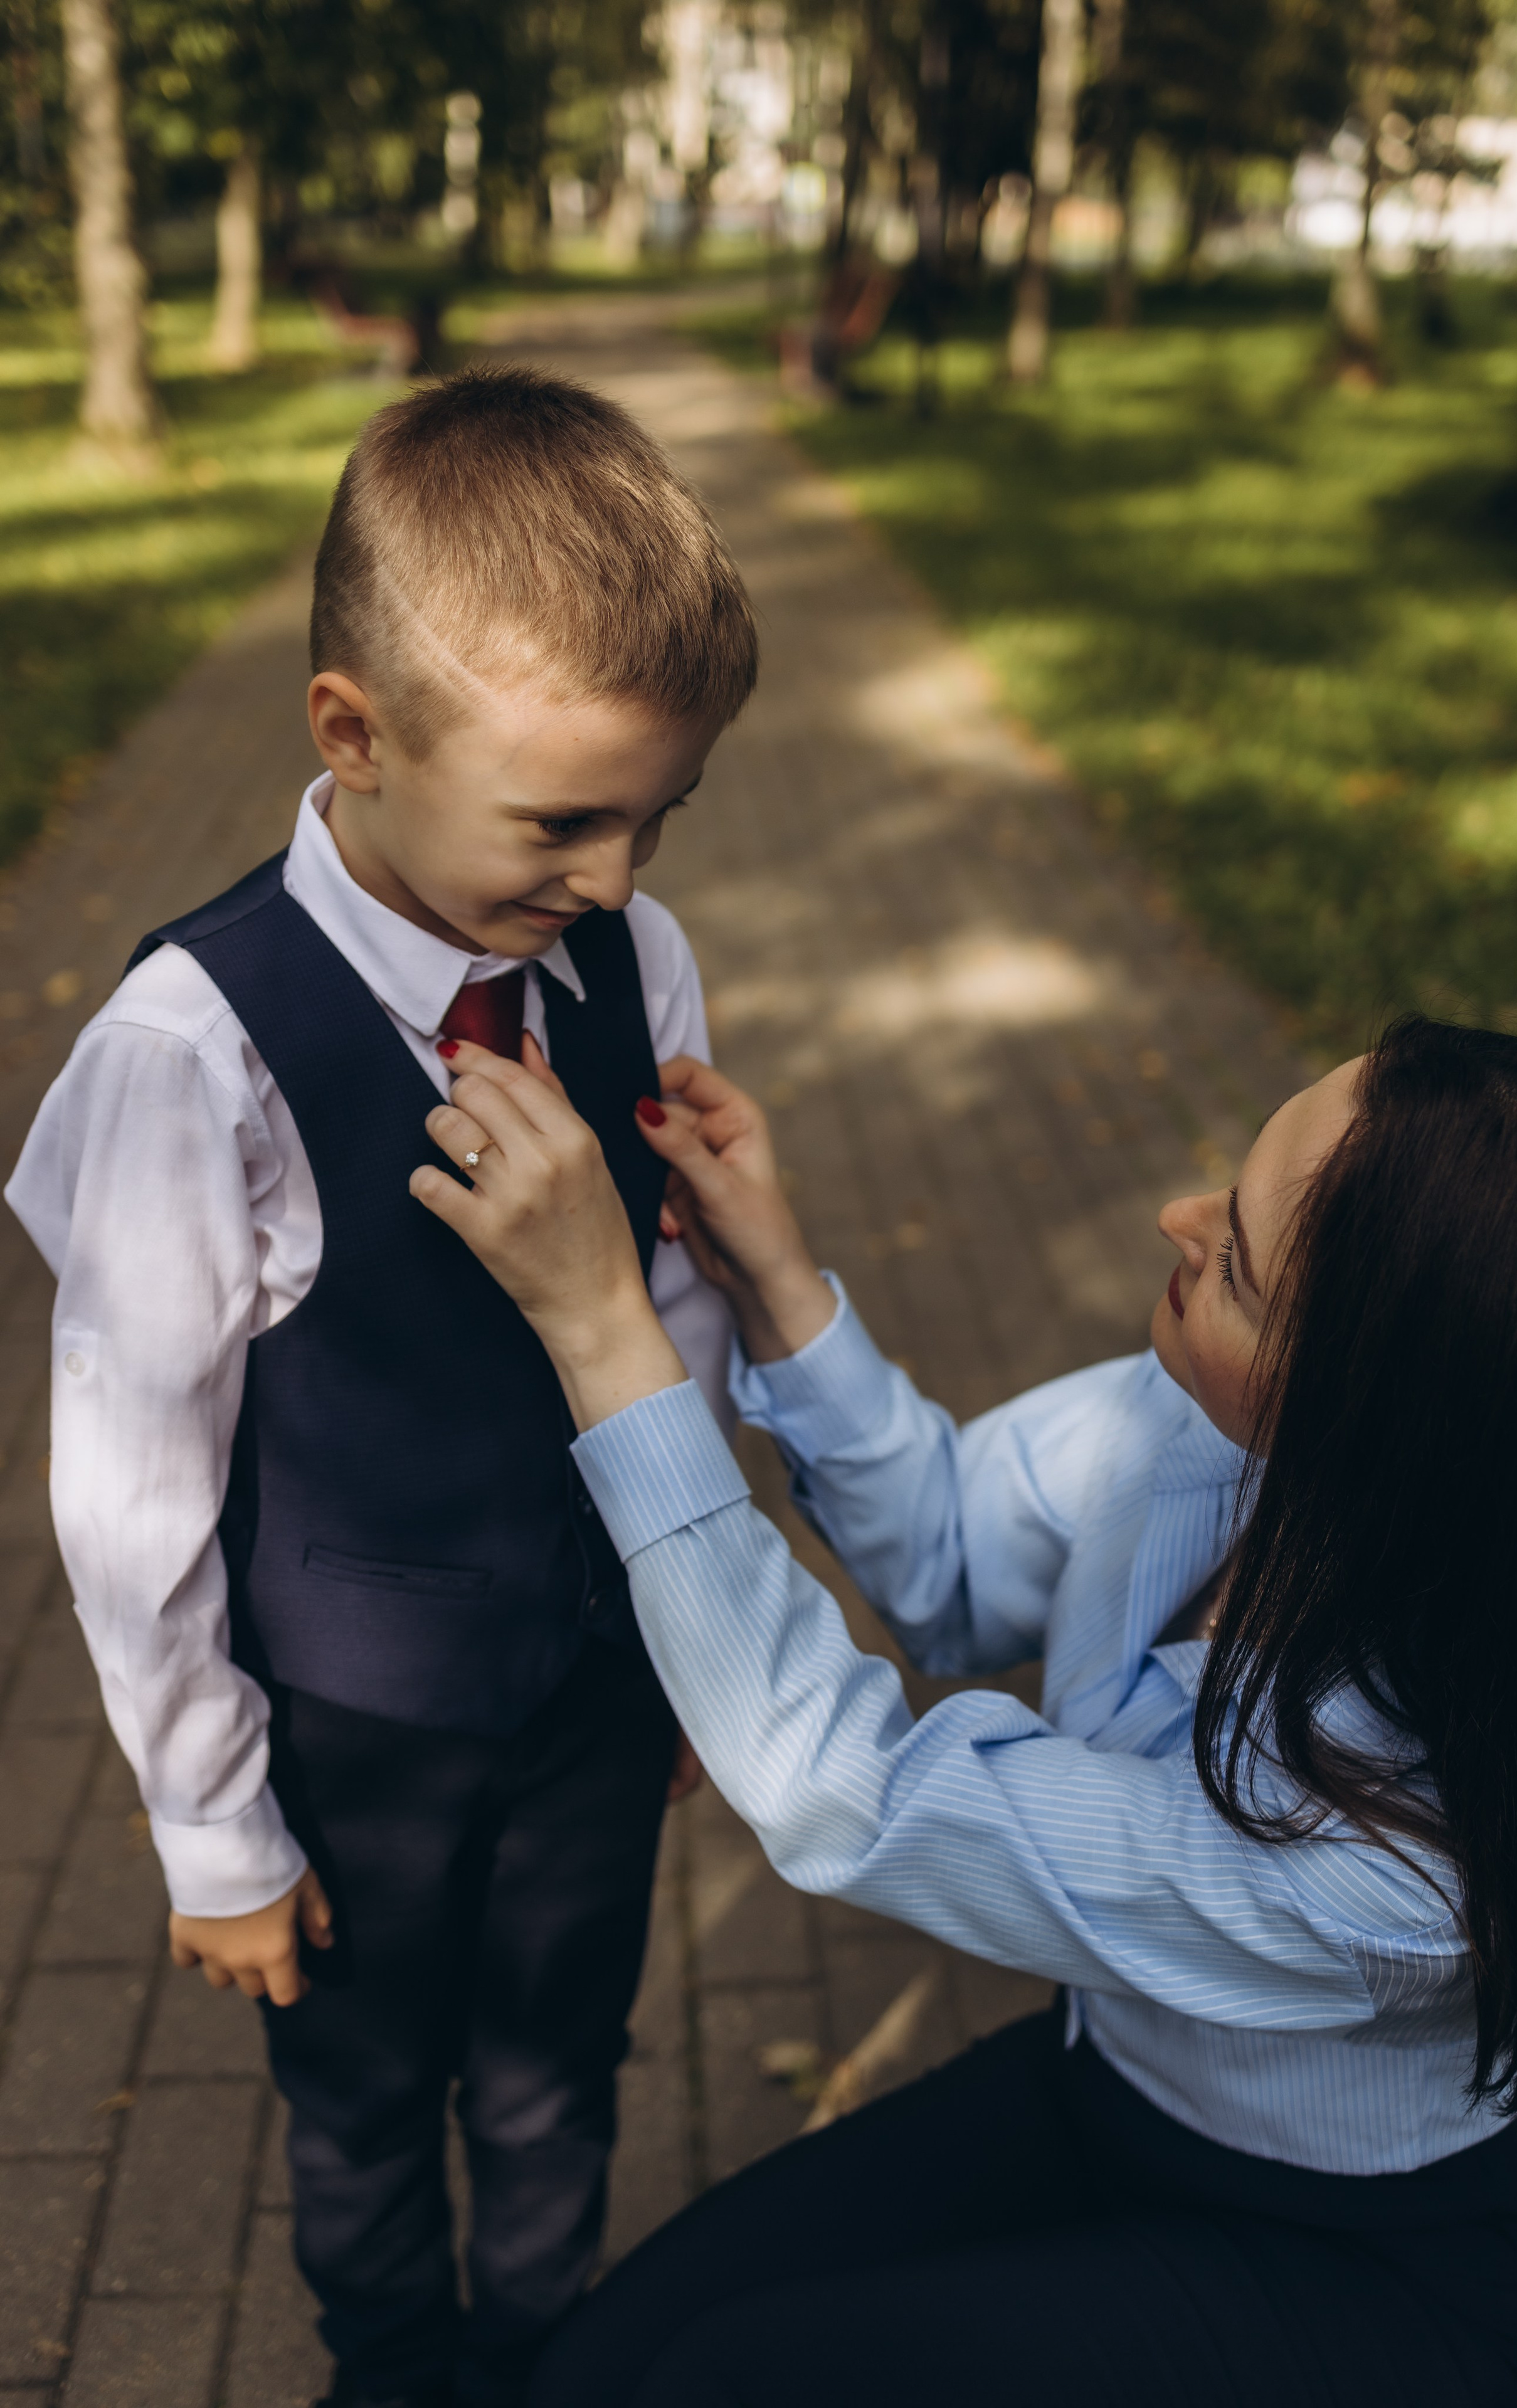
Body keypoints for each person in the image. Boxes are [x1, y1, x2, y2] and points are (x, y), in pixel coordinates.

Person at [405, 1015, 1517, 2408]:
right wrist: (778, 1287)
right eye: (1231, 1183)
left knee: (735, 2376)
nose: (1178, 1216)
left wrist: (602, 1333)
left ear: (1369, 1420)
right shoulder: (1215, 1424)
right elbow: (952, 1566)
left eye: (1232, 1265)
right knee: (610, 2367)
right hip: (1113, 2088)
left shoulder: (1400, 1868)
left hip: (1375, 2274)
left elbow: (844, 1788)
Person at [3, 368, 759, 2408]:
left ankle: (539, 2351)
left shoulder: (629, 956)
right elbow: (136, 1481)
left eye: (657, 813)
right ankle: (397, 2370)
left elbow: (674, 1309)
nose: (612, 877)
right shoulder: (198, 1045)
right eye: (562, 819)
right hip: (355, 1735)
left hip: (596, 1686)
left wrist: (704, 1639)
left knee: (557, 2069)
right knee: (359, 2103)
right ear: (354, 729)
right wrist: (212, 1831)